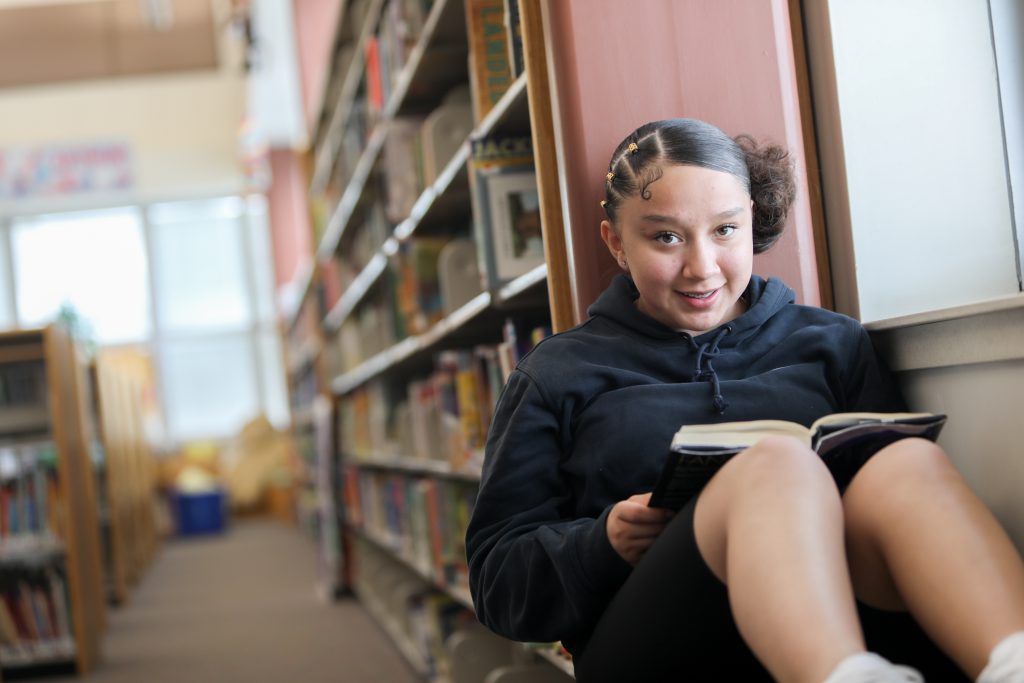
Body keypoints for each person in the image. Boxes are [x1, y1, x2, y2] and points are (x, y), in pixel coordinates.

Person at [465, 118, 1024, 682]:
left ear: (751, 222)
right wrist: (601, 542)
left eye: (725, 231)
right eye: (665, 237)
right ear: (616, 243)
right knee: (775, 462)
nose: (701, 267)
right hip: (663, 641)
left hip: (845, 607)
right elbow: (496, 582)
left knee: (904, 460)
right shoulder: (556, 373)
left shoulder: (833, 341)